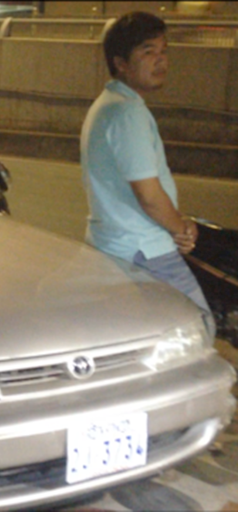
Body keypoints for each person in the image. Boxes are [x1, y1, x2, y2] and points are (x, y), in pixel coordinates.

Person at [80, 11, 211, 315]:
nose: (160, 60)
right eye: (148, 51)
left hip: (116, 244)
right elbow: (148, 195)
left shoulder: (108, 105)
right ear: (121, 63)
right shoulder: (127, 112)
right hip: (144, 249)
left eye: (164, 50)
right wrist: (181, 229)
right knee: (198, 322)